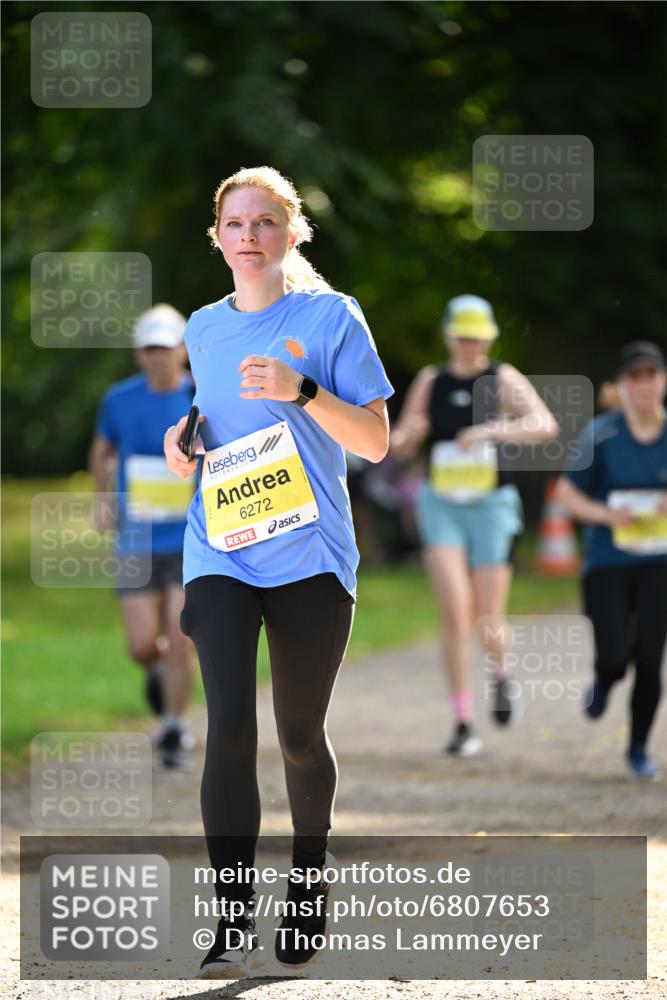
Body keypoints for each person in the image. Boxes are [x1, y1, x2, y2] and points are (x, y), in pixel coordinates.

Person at [163, 166, 393, 978]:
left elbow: (374, 441)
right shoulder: (202, 327)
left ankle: (308, 874)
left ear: (291, 233)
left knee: (297, 734)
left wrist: (304, 391)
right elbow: (213, 419)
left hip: (309, 555)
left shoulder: (331, 317)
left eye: (264, 221)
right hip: (220, 547)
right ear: (218, 237)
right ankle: (231, 918)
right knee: (228, 725)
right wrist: (183, 438)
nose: (249, 235)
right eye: (235, 223)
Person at [390, 295, 558, 756]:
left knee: (487, 617)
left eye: (477, 338)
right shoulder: (431, 380)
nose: (470, 345)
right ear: (449, 336)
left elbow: (545, 424)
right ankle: (463, 721)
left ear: (488, 339)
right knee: (455, 611)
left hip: (490, 505)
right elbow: (399, 443)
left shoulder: (501, 378)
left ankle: (500, 673)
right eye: (462, 337)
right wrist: (410, 435)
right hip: (441, 504)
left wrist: (492, 430)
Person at [89, 304, 196, 768]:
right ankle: (158, 668)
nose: (157, 356)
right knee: (142, 644)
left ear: (182, 350)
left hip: (190, 537)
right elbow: (101, 449)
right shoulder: (119, 399)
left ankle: (174, 728)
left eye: (165, 347)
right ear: (139, 353)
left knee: (181, 634)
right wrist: (102, 498)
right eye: (149, 348)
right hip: (136, 538)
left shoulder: (201, 395)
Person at [555, 341, 667, 780]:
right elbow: (566, 493)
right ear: (621, 386)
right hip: (608, 561)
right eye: (635, 378)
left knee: (650, 658)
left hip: (659, 562)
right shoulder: (601, 433)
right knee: (617, 656)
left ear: (663, 382)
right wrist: (607, 515)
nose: (644, 385)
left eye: (651, 376)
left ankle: (638, 749)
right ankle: (604, 679)